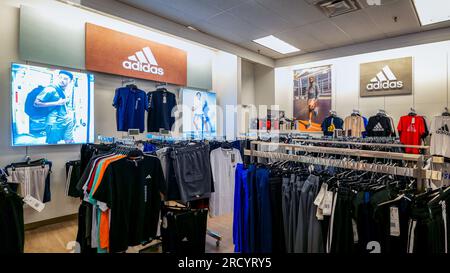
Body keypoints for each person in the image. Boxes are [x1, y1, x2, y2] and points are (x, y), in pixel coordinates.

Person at [34, 70, 75, 144]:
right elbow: (36, 103)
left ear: (71, 81)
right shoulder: (50, 89)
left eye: (65, 79)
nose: (62, 80)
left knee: (70, 141)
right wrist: (57, 103)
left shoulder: (66, 90)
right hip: (54, 122)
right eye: (60, 77)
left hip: (67, 120)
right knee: (53, 144)